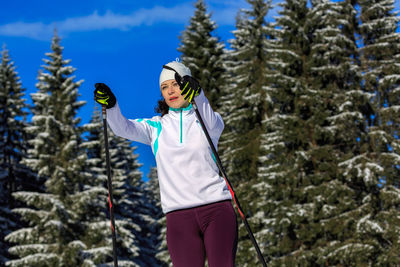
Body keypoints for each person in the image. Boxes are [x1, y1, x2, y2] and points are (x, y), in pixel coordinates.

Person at [94, 61, 238, 267]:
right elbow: (122, 128)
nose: (170, 91)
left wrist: (198, 94)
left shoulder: (208, 122)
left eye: (175, 84)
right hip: (178, 217)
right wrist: (111, 106)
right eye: (164, 87)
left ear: (186, 84)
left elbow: (207, 115)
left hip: (216, 210)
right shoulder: (156, 128)